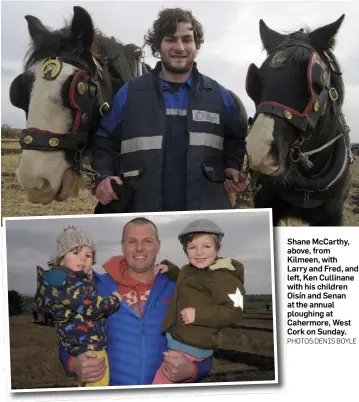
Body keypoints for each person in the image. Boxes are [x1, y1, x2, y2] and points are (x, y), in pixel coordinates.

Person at [91, 7, 249, 213]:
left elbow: (236, 139)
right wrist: (103, 176)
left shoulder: (219, 96)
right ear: (159, 44)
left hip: (203, 215)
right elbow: (103, 140)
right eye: (171, 39)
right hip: (139, 213)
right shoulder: (129, 93)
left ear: (196, 44)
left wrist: (232, 165)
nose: (180, 47)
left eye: (187, 39)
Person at [59, 217, 212, 385]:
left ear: (158, 246)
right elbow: (67, 338)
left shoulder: (178, 289)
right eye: (132, 241)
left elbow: (205, 346)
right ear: (123, 246)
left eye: (147, 241)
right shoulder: (94, 288)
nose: (139, 248)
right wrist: (74, 364)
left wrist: (192, 370)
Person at [152, 219, 245, 384]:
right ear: (185, 250)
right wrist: (170, 270)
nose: (199, 252)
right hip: (180, 340)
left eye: (206, 246)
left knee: (161, 382)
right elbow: (188, 281)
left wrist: (198, 315)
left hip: (191, 346)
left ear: (218, 247)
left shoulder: (224, 277)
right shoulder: (190, 269)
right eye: (192, 247)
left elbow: (234, 312)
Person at [35, 226, 122, 387]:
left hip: (82, 345)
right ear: (60, 259)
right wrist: (114, 299)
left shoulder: (66, 280)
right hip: (88, 346)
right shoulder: (66, 283)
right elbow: (92, 308)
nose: (83, 259)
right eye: (75, 253)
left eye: (88, 256)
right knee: (98, 384)